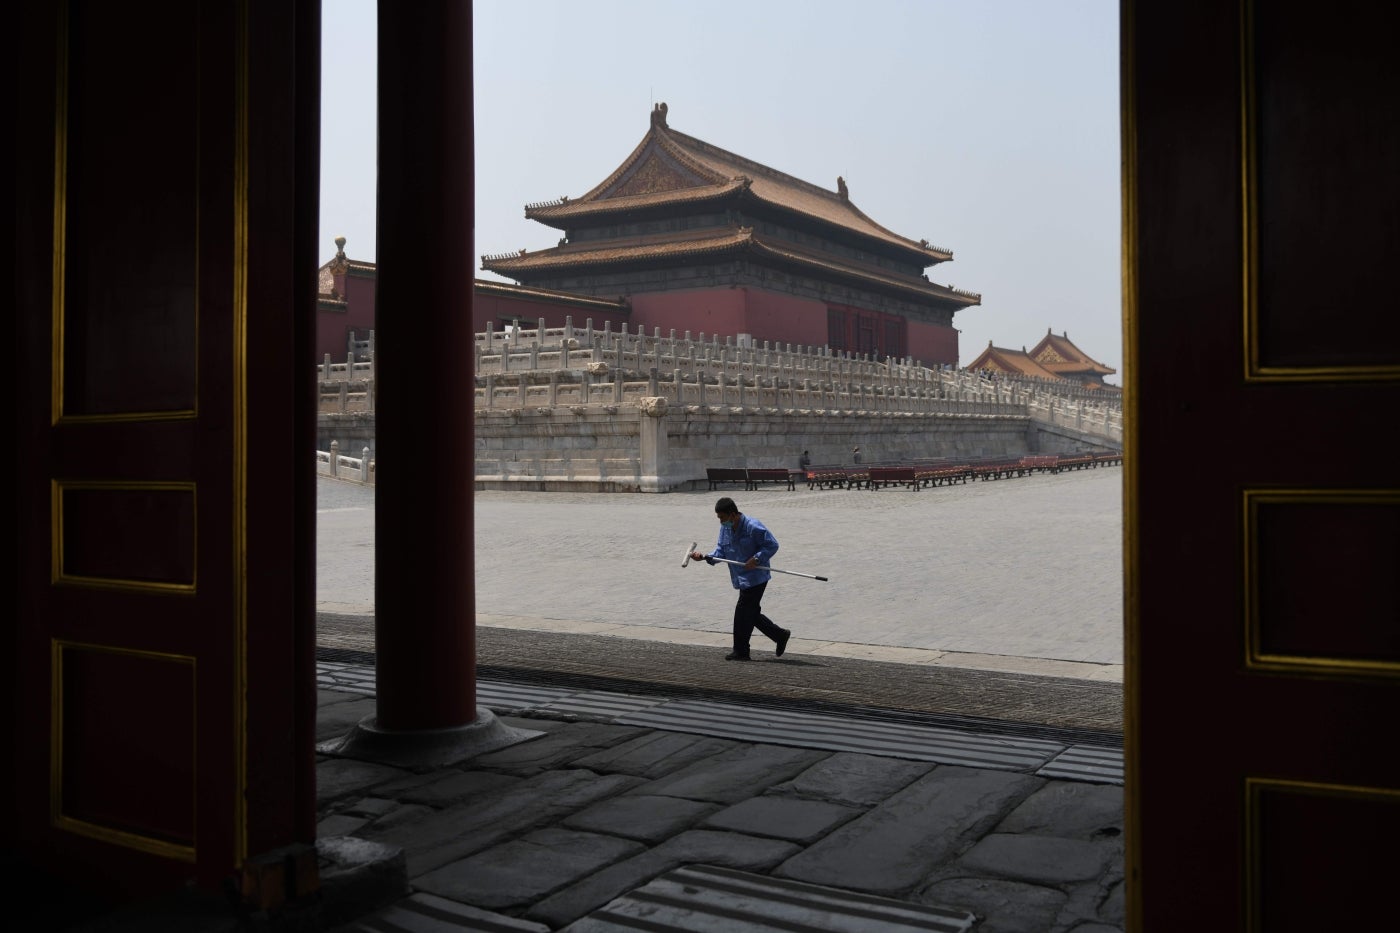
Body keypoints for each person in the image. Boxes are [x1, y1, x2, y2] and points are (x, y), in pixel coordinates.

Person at [689, 497, 791, 661]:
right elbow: (721, 550)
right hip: (740, 577)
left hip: (756, 576)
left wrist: (757, 559)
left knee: (742, 612)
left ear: (733, 514)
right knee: (750, 613)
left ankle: (741, 651)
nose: (721, 522)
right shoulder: (725, 528)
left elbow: (772, 545)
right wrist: (705, 557)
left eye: (722, 517)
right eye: (719, 518)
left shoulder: (753, 526)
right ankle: (779, 635)